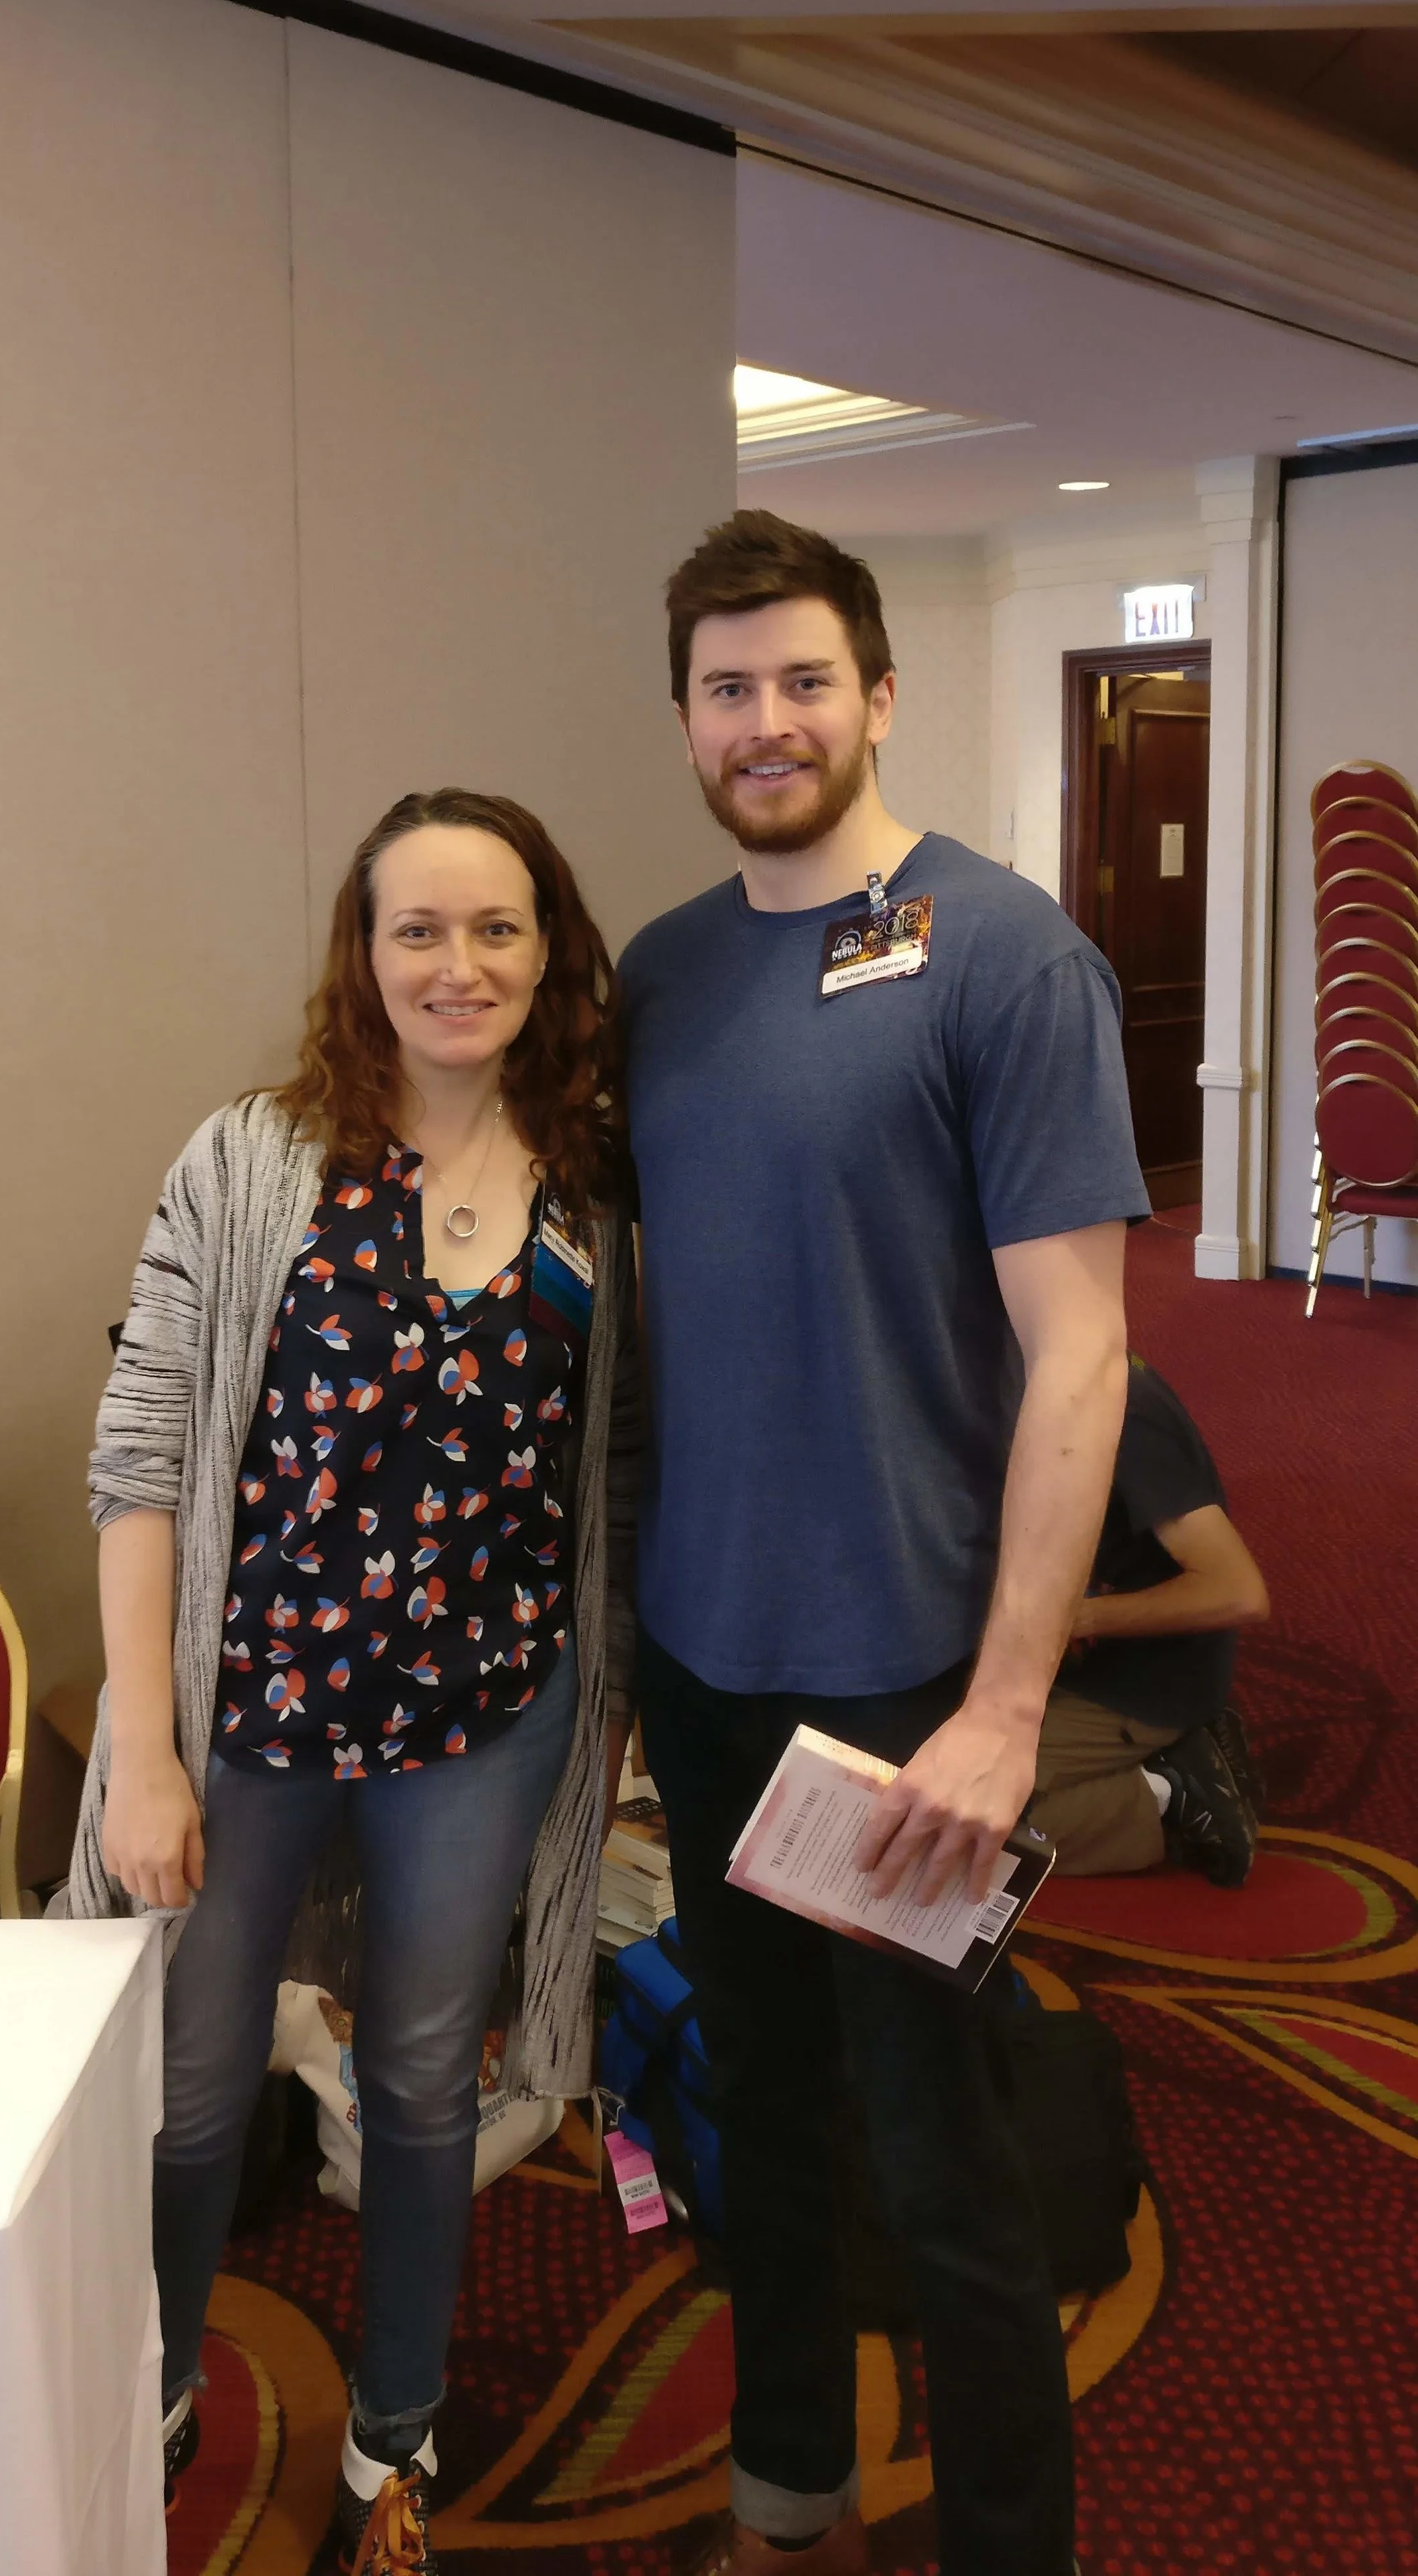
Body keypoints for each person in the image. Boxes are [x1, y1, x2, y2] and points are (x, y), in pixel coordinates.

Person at [620, 511, 1149, 2576]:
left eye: (803, 680)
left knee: (941, 2155)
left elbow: (1081, 1352)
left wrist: (1008, 1706)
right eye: (728, 688)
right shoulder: (659, 973)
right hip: (705, 1652)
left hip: (904, 1681)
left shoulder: (1007, 954)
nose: (767, 722)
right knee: (762, 2115)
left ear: (877, 693)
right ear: (682, 717)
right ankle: (783, 2497)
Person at [55, 789, 637, 2572]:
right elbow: (140, 1448)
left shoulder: (598, 1192)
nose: (456, 965)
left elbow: (613, 1479)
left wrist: (605, 1726)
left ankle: (395, 2436)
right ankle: (154, 2387)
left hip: (479, 1720)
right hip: (251, 1710)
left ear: (548, 951)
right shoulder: (254, 1160)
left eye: (495, 928)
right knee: (197, 2081)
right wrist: (140, 1748)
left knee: (419, 2090)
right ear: (360, 952)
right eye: (417, 929)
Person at [1031, 1352, 1267, 1884]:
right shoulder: (1033, 1372)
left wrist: (1074, 1619)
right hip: (1070, 1661)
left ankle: (1166, 1792)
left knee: (945, 1826)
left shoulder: (1122, 1407)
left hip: (1141, 1682)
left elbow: (1238, 1592)